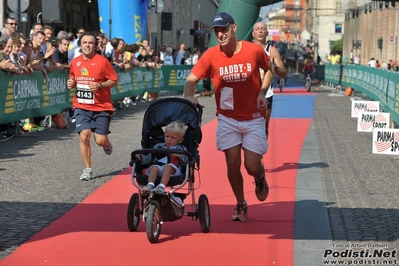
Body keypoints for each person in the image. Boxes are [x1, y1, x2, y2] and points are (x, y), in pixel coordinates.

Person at [184, 12, 273, 222]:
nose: (220, 34)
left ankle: (259, 177)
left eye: (224, 29)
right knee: (232, 163)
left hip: (252, 117)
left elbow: (269, 70)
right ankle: (241, 202)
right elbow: (191, 78)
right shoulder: (211, 55)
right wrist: (189, 95)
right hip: (227, 118)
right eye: (217, 31)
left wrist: (262, 92)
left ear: (234, 28)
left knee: (251, 165)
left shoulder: (253, 50)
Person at [67, 32, 118, 181]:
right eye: (84, 43)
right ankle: (87, 169)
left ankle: (106, 142)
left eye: (90, 43)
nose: (87, 45)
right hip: (81, 105)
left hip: (101, 106)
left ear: (95, 46)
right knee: (84, 135)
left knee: (100, 140)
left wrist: (100, 85)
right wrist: (71, 83)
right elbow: (72, 78)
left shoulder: (102, 62)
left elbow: (114, 80)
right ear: (80, 45)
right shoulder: (75, 62)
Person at [252, 21, 287, 139]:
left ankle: (260, 155)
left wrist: (273, 66)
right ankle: (249, 154)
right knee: (247, 125)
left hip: (266, 93)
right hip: (249, 92)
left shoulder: (272, 50)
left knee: (264, 125)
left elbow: (283, 74)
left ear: (267, 33)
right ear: (253, 33)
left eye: (263, 29)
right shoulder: (247, 49)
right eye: (257, 29)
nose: (260, 31)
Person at [136, 121, 188, 193]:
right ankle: (150, 185)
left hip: (174, 171)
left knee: (167, 167)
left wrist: (179, 156)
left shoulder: (181, 149)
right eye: (167, 136)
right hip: (160, 168)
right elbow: (150, 157)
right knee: (154, 167)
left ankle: (161, 186)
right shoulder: (159, 147)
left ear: (180, 140)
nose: (169, 139)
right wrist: (140, 157)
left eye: (173, 138)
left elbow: (186, 161)